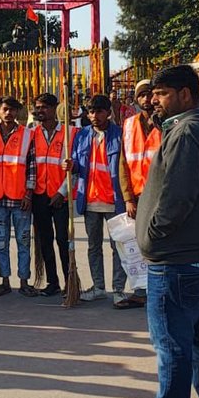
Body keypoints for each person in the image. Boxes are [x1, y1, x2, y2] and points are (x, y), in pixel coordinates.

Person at [136, 65, 199, 398]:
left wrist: (153, 234)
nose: (153, 101)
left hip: (177, 261)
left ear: (185, 94)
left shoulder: (187, 132)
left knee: (173, 347)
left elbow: (177, 198)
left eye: (161, 94)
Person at [63, 94, 129, 306]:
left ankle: (119, 289)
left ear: (108, 113)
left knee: (118, 247)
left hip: (114, 200)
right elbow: (77, 167)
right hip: (90, 199)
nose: (94, 116)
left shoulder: (120, 135)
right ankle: (99, 287)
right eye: (91, 112)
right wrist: (71, 167)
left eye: (99, 111)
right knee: (93, 247)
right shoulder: (81, 136)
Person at [117, 79, 162, 309]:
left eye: (150, 94)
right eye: (142, 95)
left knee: (159, 245)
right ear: (136, 98)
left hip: (161, 196)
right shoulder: (128, 124)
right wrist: (127, 198)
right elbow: (123, 163)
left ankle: (157, 290)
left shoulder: (166, 124)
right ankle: (140, 290)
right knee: (137, 246)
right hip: (137, 195)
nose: (146, 99)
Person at [0, 96, 36, 297]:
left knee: (23, 241)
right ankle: (5, 280)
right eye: (5, 109)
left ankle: (24, 280)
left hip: (19, 198)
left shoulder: (27, 135)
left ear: (18, 112)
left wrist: (29, 193)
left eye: (12, 110)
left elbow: (32, 167)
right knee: (1, 242)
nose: (9, 113)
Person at [30, 93, 76, 297]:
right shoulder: (32, 133)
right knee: (44, 240)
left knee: (63, 240)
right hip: (40, 194)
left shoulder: (69, 133)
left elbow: (75, 169)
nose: (40, 111)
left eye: (44, 107)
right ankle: (52, 281)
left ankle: (70, 281)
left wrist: (62, 192)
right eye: (37, 107)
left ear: (54, 108)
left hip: (61, 196)